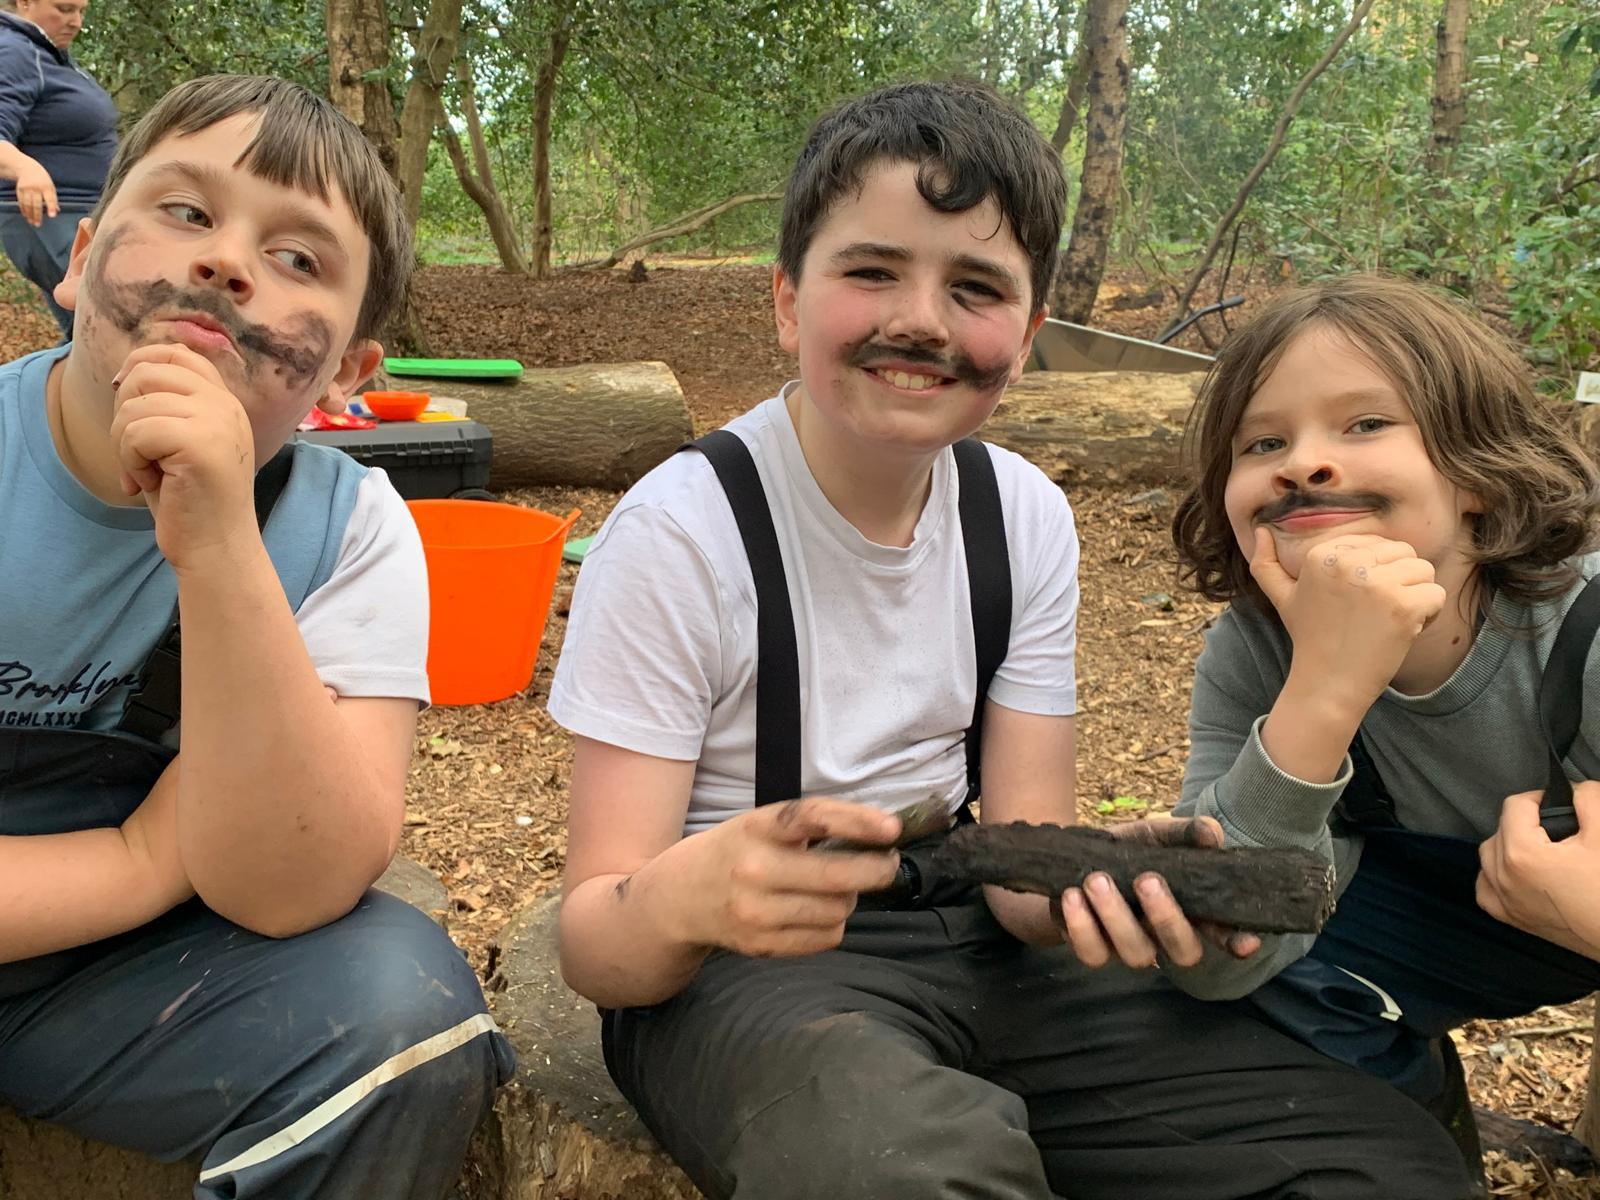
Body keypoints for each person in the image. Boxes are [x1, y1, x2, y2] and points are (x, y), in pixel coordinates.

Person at [548, 82, 1474, 1200]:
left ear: (1027, 337)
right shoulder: (679, 532)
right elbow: (598, 945)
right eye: (873, 270)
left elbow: (1024, 869)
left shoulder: (1021, 515)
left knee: (1371, 1160)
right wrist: (683, 896)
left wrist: (1118, 882)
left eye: (974, 287)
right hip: (743, 974)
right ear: (788, 303)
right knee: (894, 1164)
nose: (922, 321)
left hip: (972, 930)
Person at [0, 75, 512, 1198]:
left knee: (404, 1016)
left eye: (299, 259)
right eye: (188, 212)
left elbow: (293, 886)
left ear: (347, 376)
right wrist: (142, 860)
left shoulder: (348, 529)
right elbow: (159, 858)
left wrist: (223, 545)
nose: (230, 262)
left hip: (132, 989)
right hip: (94, 901)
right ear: (78, 259)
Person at [1137, 273, 1600, 1166]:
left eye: (1365, 424)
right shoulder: (1253, 657)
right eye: (1263, 440)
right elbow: (1216, 962)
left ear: (1475, 471)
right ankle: (1420, 1129)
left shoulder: (1585, 628)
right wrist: (1323, 692)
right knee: (1250, 995)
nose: (1304, 462)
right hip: (1434, 928)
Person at [0, 0, 117, 337]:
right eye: (64, 8)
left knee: (84, 333)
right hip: (49, 216)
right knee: (105, 325)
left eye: (82, 11)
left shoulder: (47, 54)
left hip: (77, 216)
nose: (76, 21)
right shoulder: (15, 50)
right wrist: (25, 168)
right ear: (25, 3)